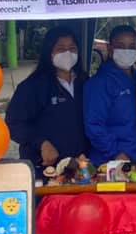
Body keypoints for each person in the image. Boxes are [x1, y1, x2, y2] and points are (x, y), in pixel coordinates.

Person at [5, 26, 87, 168]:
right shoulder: (32, 86)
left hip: (80, 164)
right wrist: (42, 143)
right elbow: (14, 123)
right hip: (44, 166)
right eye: (61, 48)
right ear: (49, 52)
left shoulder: (85, 82)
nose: (67, 53)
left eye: (72, 48)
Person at [84, 25, 136, 165]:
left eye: (132, 46)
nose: (126, 51)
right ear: (110, 48)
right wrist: (116, 153)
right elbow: (94, 126)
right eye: (120, 46)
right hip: (111, 161)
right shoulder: (99, 83)